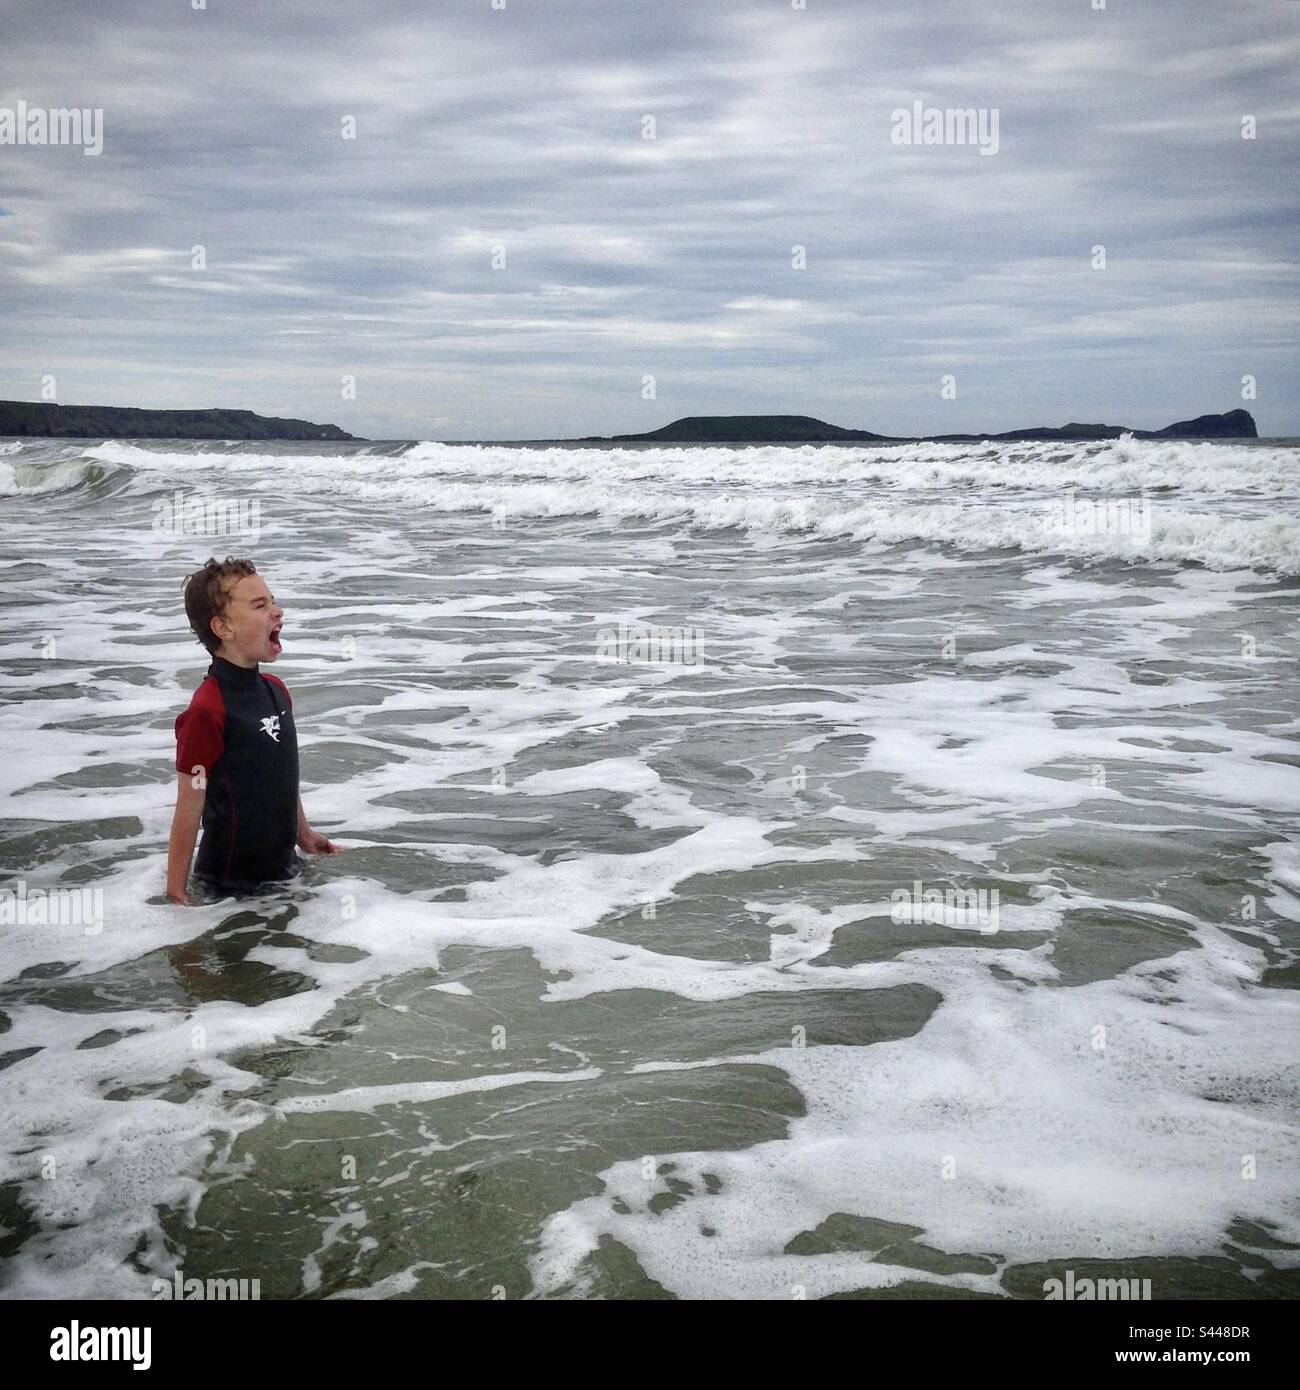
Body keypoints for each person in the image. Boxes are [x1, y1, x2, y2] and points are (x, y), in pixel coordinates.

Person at [166, 556, 342, 904]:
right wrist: (176, 893)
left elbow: (280, 773)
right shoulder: (207, 709)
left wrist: (303, 834)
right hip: (230, 890)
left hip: (285, 875)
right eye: (260, 605)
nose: (277, 611)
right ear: (223, 628)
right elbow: (189, 806)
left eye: (272, 601)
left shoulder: (276, 690)